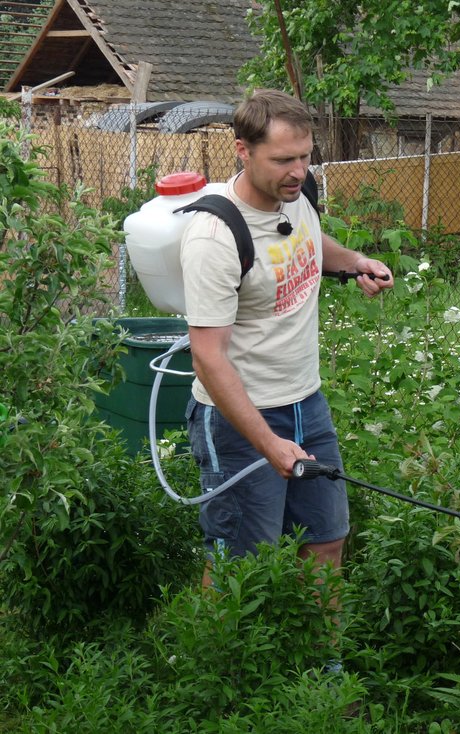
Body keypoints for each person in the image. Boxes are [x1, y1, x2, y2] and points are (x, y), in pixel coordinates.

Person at [181, 89, 393, 587]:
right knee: (240, 564)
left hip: (307, 404)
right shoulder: (215, 237)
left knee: (325, 541)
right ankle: (215, 664)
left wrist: (354, 262)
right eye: (283, 160)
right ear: (243, 150)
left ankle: (322, 664)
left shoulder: (296, 194)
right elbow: (208, 359)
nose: (298, 171)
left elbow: (308, 238)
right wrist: (268, 444)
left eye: (304, 156)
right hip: (239, 420)